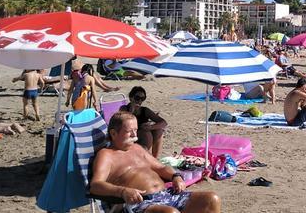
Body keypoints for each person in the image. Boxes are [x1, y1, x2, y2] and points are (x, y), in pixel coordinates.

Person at [90, 111, 220, 213]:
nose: (135, 135)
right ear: (113, 133)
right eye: (129, 132)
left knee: (211, 199)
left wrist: (175, 176)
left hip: (167, 195)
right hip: (141, 203)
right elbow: (95, 185)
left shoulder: (137, 149)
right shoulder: (106, 155)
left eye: (136, 130)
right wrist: (123, 191)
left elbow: (161, 167)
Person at [119, 86, 167, 158]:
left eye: (142, 99)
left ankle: (155, 159)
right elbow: (123, 124)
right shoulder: (124, 108)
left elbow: (164, 123)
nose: (140, 101)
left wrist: (151, 127)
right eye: (137, 98)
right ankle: (146, 158)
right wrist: (131, 111)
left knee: (159, 131)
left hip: (142, 133)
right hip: (129, 134)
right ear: (131, 98)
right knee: (146, 134)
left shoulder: (145, 110)